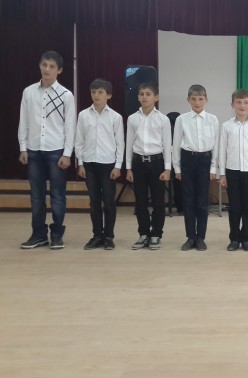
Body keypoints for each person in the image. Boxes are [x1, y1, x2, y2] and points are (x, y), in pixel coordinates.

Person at [18, 50, 76, 249]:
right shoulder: (29, 92)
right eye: (44, 65)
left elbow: (70, 126)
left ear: (59, 70)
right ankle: (38, 234)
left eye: (52, 66)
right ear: (39, 66)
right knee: (36, 196)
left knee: (57, 195)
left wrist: (67, 153)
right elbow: (24, 121)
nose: (47, 69)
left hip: (56, 150)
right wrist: (23, 147)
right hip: (33, 150)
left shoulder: (66, 95)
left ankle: (57, 234)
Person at [74, 78, 124, 250]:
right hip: (89, 163)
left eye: (100, 92)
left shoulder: (115, 117)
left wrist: (118, 166)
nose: (96, 95)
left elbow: (120, 143)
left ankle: (108, 236)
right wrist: (80, 163)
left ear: (108, 95)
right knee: (94, 202)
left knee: (109, 202)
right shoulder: (83, 115)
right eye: (93, 92)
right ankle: (97, 235)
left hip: (108, 164)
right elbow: (79, 140)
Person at [172, 84, 220, 251]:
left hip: (205, 161)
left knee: (202, 201)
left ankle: (200, 238)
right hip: (187, 160)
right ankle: (190, 237)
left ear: (206, 100)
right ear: (188, 100)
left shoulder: (213, 120)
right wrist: (177, 169)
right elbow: (176, 144)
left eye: (200, 99)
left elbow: (216, 145)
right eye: (193, 99)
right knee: (188, 200)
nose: (197, 102)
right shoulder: (181, 119)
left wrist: (213, 168)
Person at [125, 82, 172, 250]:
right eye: (141, 94)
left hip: (157, 163)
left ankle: (156, 234)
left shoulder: (163, 119)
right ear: (138, 97)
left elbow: (167, 144)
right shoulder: (132, 119)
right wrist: (128, 168)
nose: (144, 97)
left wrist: (167, 169)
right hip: (138, 163)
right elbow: (129, 143)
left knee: (158, 201)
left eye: (148, 94)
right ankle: (143, 234)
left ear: (156, 97)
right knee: (141, 202)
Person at [219, 89, 248, 252]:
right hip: (232, 171)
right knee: (234, 207)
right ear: (232, 105)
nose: (242, 105)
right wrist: (222, 174)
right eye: (238, 102)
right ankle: (234, 239)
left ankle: (246, 239)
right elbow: (222, 150)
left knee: (247, 208)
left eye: (245, 102)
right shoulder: (226, 126)